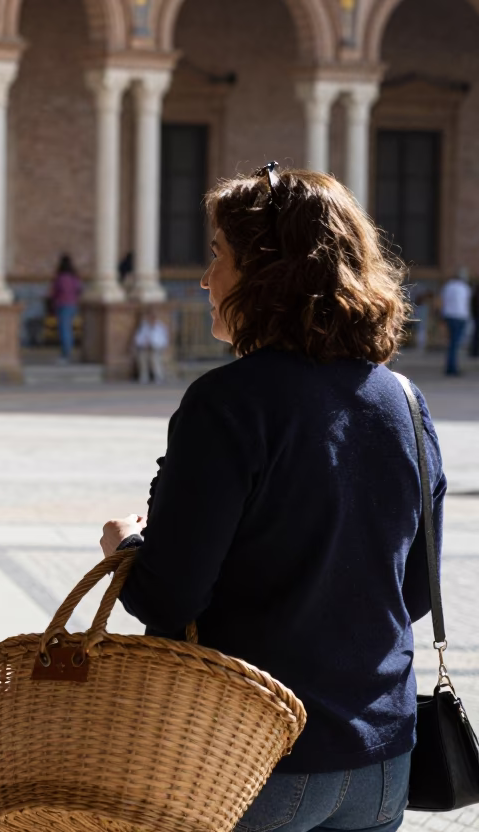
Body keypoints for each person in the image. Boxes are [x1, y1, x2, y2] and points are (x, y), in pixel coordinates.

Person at [99, 166, 445, 832]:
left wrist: (128, 547)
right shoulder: (403, 400)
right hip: (380, 760)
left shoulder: (227, 404)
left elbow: (168, 599)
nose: (206, 281)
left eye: (217, 257)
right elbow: (417, 592)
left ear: (265, 271)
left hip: (254, 754)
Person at [51, 254, 82, 362]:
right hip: (73, 304)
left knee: (64, 329)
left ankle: (66, 354)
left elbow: (54, 292)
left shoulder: (60, 278)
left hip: (62, 305)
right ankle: (68, 351)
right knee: (68, 328)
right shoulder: (74, 278)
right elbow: (79, 290)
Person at [441, 267, 471, 376]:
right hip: (460, 316)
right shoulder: (464, 287)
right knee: (456, 344)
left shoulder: (448, 286)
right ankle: (452, 367)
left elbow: (444, 301)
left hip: (449, 316)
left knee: (451, 343)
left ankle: (450, 366)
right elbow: (465, 303)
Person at [132, 309, 169, 383]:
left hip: (156, 348)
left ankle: (158, 376)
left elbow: (164, 340)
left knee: (154, 358)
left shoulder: (161, 327)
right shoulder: (143, 326)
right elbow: (138, 339)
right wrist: (144, 344)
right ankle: (144, 376)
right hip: (145, 348)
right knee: (142, 357)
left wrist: (154, 344)